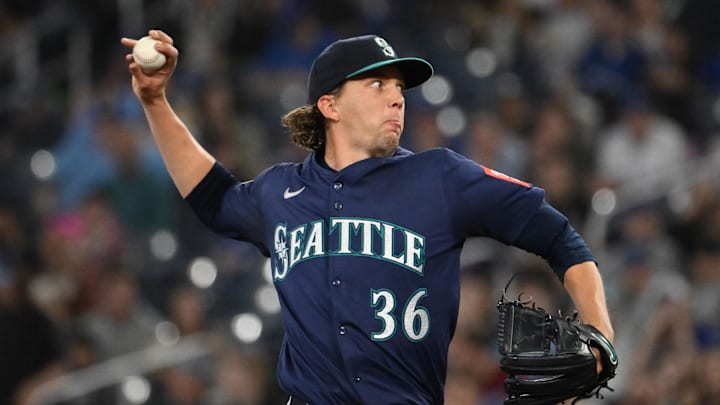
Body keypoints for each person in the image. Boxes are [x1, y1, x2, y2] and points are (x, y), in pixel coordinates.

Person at [121, 30, 614, 404]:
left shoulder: (440, 178)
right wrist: (155, 102)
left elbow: (561, 238)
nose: (396, 96)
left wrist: (600, 333)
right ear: (329, 105)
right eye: (377, 83)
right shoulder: (280, 191)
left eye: (399, 87)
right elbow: (212, 197)